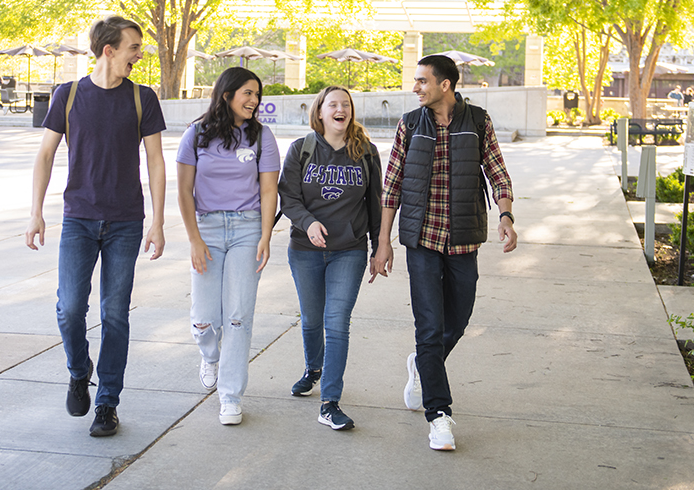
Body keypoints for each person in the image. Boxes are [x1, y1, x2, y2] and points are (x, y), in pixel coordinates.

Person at [26, 16, 166, 438]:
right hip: (79, 219)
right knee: (70, 309)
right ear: (109, 50)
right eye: (133, 47)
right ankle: (78, 368)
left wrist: (158, 221)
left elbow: (156, 161)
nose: (138, 54)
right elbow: (46, 155)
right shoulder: (68, 96)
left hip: (126, 220)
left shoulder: (143, 98)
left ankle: (107, 402)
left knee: (114, 314)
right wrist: (35, 212)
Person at [370, 54, 517, 452]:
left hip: (464, 239)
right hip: (420, 240)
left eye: (422, 81)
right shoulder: (409, 124)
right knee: (429, 328)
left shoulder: (478, 121)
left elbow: (498, 172)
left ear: (445, 85)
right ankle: (439, 415)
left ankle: (422, 364)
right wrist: (382, 242)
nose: (415, 87)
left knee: (458, 322)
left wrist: (505, 215)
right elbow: (392, 186)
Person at [175, 67, 278, 426]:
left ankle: (231, 396)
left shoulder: (262, 136)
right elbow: (184, 191)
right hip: (207, 228)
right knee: (204, 319)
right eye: (247, 93)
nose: (254, 101)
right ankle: (210, 354)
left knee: (238, 317)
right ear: (226, 95)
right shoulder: (196, 134)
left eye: (256, 95)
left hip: (248, 229)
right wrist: (194, 240)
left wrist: (265, 235)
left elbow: (268, 190)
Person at [278, 85, 382, 431]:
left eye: (346, 104)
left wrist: (381, 245)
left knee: (336, 322)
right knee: (311, 319)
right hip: (305, 251)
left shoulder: (365, 152)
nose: (341, 109)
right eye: (333, 104)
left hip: (349, 250)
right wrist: (308, 223)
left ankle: (330, 401)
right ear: (320, 112)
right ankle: (313, 369)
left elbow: (376, 203)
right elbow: (288, 198)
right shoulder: (301, 150)